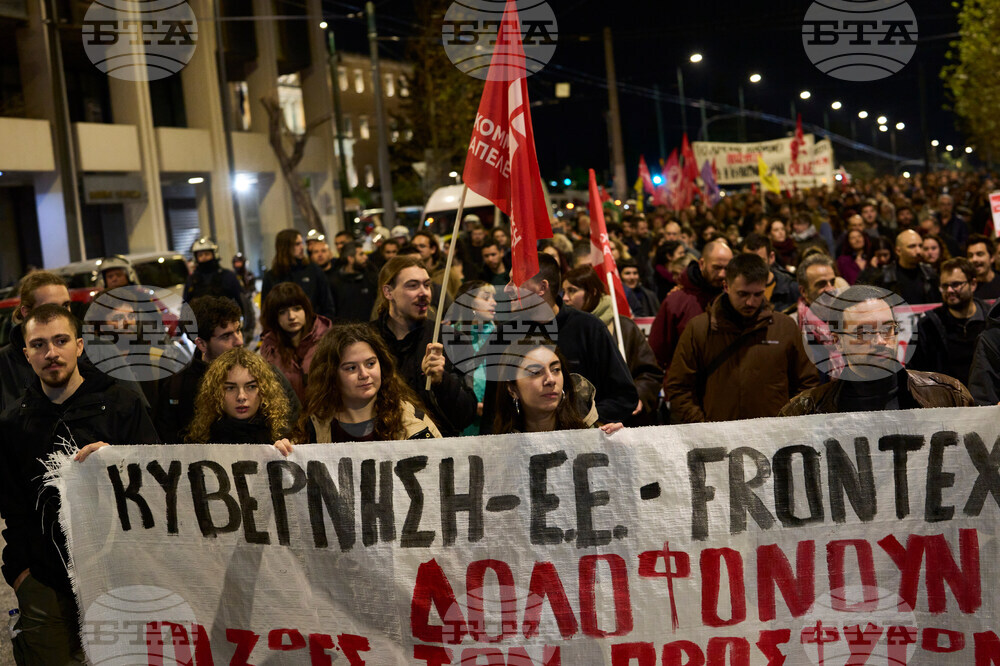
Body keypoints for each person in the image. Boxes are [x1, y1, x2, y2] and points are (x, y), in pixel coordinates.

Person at [0, 304, 159, 664]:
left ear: (80, 345)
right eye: (39, 345)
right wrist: (23, 575)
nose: (51, 353)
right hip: (44, 577)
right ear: (26, 354)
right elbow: (14, 509)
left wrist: (120, 461)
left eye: (60, 340)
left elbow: (158, 485)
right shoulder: (12, 424)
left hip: (123, 571)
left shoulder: (122, 405)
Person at [666, 253, 819, 423]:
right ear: (726, 286)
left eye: (757, 294)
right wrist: (704, 428)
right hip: (717, 440)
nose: (750, 302)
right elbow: (679, 387)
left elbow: (807, 384)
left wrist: (787, 424)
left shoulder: (785, 328)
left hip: (774, 439)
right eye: (743, 294)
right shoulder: (699, 329)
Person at [780, 285, 973, 415]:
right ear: (838, 341)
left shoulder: (949, 395)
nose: (881, 341)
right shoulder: (805, 411)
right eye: (863, 332)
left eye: (888, 329)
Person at [499, 253, 639, 426]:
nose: (506, 288)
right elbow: (495, 407)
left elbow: (624, 396)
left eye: (515, 281)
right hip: (521, 444)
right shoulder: (505, 334)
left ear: (542, 287)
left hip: (581, 443)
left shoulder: (589, 328)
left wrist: (584, 422)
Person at [155, 296, 300, 443]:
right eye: (226, 336)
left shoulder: (269, 375)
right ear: (202, 344)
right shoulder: (178, 388)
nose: (239, 341)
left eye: (238, 330)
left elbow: (296, 426)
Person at [276, 322, 440, 448]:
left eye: (370, 364)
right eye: (351, 368)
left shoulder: (413, 421)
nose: (364, 374)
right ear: (332, 375)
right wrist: (283, 453)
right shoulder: (313, 427)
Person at [372, 256, 477, 436]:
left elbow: (466, 415)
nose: (424, 293)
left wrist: (442, 381)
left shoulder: (452, 339)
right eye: (412, 285)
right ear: (388, 292)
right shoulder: (368, 340)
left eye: (427, 285)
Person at [562, 266, 663, 425]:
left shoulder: (624, 327)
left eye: (572, 291)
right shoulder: (567, 329)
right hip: (585, 423)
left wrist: (639, 396)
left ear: (593, 292)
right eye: (564, 291)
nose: (565, 298)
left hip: (626, 420)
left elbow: (650, 372)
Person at [492, 335, 623, 435]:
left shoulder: (589, 433)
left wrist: (618, 445)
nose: (550, 380)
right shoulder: (500, 450)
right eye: (536, 372)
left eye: (556, 370)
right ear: (512, 389)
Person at [649, 239, 734, 370]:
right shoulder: (676, 301)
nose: (722, 274)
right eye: (716, 267)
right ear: (702, 264)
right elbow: (657, 352)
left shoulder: (736, 298)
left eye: (727, 269)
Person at [185, 347, 293, 445]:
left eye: (250, 387)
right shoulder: (200, 443)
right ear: (215, 393)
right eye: (230, 388)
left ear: (265, 390)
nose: (241, 397)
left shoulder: (280, 437)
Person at [0, 271, 73, 412]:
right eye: (51, 308)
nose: (63, 314)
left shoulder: (97, 350)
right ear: (26, 312)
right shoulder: (4, 363)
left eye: (65, 306)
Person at [908, 258, 987, 387]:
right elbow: (914, 373)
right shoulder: (928, 325)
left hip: (988, 401)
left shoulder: (991, 321)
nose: (949, 290)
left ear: (973, 284)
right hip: (945, 403)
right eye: (945, 286)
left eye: (956, 284)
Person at [260, 282, 332, 405]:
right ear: (274, 317)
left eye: (297, 309)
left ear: (306, 309)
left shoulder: (327, 340)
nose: (291, 316)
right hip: (289, 420)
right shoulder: (269, 347)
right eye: (282, 312)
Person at [446, 280, 497, 436]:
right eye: (486, 298)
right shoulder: (450, 335)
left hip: (491, 420)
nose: (494, 303)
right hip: (459, 418)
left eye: (494, 298)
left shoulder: (499, 335)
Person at [261, 229, 336, 320]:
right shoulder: (272, 276)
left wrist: (320, 328)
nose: (302, 247)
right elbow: (266, 311)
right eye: (297, 244)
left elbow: (327, 305)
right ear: (285, 247)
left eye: (302, 243)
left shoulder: (313, 270)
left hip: (313, 329)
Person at [858, 230, 940, 305]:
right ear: (898, 251)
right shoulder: (884, 275)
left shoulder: (930, 273)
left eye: (920, 246)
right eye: (912, 246)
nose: (918, 251)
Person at [741, 233, 799, 313]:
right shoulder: (736, 287)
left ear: (771, 257)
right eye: (748, 261)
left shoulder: (791, 288)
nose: (753, 267)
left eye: (759, 261)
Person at [182, 237, 243, 309]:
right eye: (200, 255)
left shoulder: (228, 276)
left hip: (225, 318)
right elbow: (185, 306)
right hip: (201, 319)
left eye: (207, 254)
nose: (204, 257)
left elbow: (241, 302)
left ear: (214, 255)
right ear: (196, 258)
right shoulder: (192, 280)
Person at [330, 241, 378, 322]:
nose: (365, 257)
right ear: (350, 259)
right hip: (345, 330)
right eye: (361, 254)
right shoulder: (334, 282)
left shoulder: (370, 277)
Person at [966, 234, 1000, 299]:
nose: (974, 259)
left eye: (980, 254)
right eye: (970, 255)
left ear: (992, 257)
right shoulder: (966, 288)